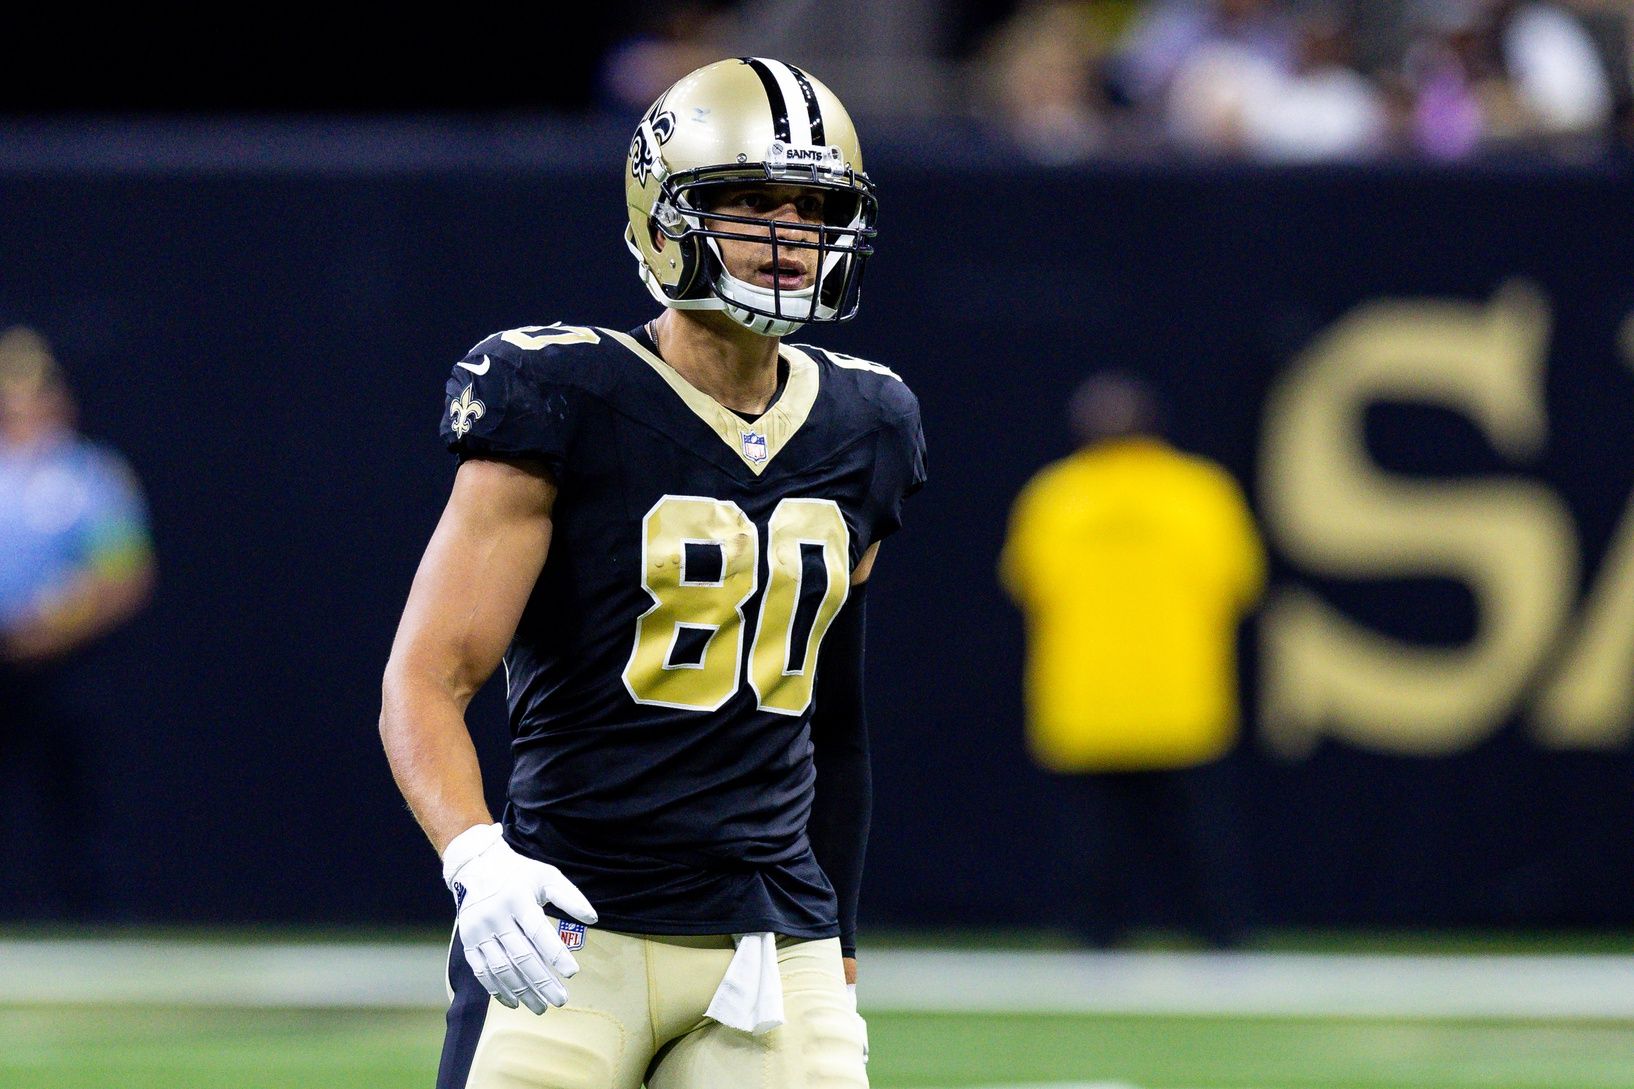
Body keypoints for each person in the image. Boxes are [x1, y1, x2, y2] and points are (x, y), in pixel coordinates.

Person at [379, 57, 926, 1089]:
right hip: (571, 926)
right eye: (746, 201)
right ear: (663, 213)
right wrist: (477, 858)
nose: (782, 234)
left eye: (809, 207)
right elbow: (425, 677)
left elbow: (833, 714)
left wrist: (838, 936)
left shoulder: (869, 421)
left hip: (774, 934)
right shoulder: (557, 392)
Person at [998, 371, 1262, 948]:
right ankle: (1223, 942)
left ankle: (1093, 943)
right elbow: (1240, 583)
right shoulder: (1200, 492)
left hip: (1086, 699)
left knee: (1093, 839)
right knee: (1197, 837)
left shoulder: (1056, 496)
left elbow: (1028, 584)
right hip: (1180, 697)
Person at [0, 325, 155, 920]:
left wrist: (53, 624)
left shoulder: (90, 476)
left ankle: (89, 920)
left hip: (66, 660)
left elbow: (123, 572)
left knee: (76, 796)